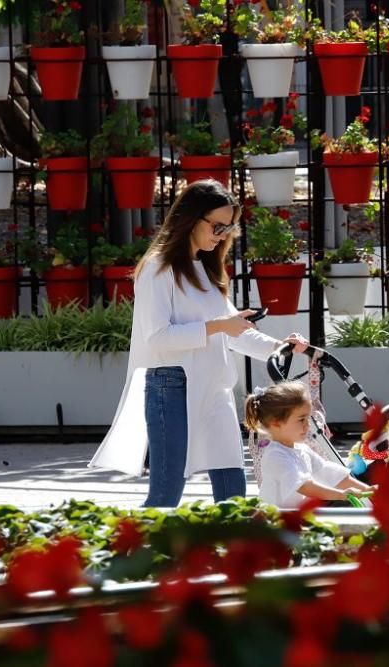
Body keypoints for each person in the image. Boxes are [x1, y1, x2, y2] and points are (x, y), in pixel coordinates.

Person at [89, 180, 308, 507]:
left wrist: (282, 347)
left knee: (232, 486)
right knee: (166, 492)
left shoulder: (207, 270)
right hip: (171, 386)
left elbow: (237, 332)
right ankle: (141, 553)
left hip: (214, 388)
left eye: (229, 227)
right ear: (190, 219)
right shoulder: (157, 269)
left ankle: (227, 554)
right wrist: (220, 325)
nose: (222, 235)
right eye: (217, 226)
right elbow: (159, 337)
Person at [244, 381, 375, 508]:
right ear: (276, 423)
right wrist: (341, 495)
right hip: (277, 521)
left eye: (308, 418)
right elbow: (304, 486)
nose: (307, 425)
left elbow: (329, 473)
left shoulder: (302, 449)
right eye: (301, 419)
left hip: (294, 517)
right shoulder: (276, 456)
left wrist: (366, 489)